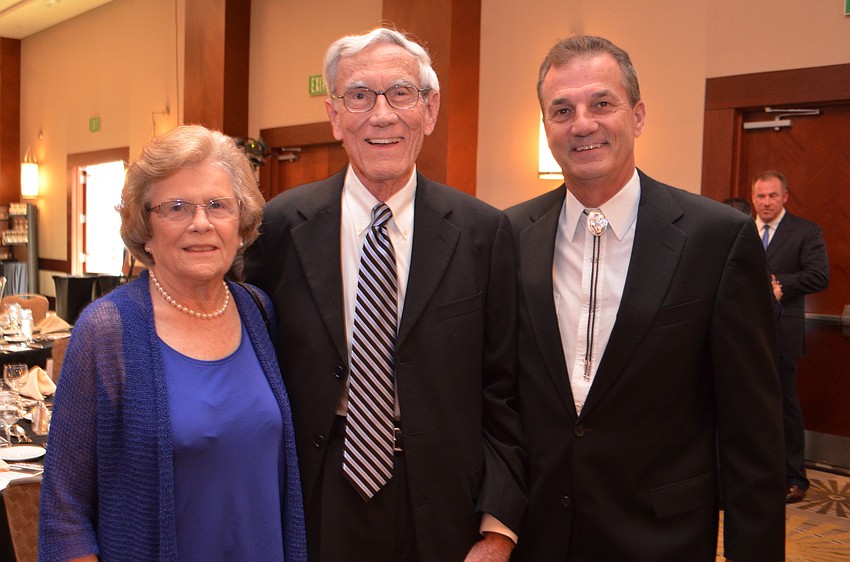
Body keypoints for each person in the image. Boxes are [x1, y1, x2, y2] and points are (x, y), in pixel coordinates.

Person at [242, 27, 526, 562]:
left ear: (430, 109)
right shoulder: (278, 227)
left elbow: (504, 389)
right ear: (334, 115)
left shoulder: (483, 232)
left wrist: (499, 526)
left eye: (401, 93)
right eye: (359, 96)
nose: (382, 115)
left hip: (445, 503)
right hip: (315, 490)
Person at [506, 35, 785, 561]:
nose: (582, 123)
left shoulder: (715, 239)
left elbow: (753, 436)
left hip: (660, 538)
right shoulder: (508, 235)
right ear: (546, 127)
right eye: (562, 110)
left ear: (637, 116)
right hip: (538, 532)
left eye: (601, 103)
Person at [39, 125, 307, 562]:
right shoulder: (107, 330)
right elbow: (64, 511)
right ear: (145, 228)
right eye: (177, 207)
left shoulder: (258, 311)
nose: (201, 223)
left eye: (218, 205)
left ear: (241, 224)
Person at [752, 170, 830, 504]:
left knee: (784, 405)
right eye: (760, 196)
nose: (765, 202)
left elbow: (818, 276)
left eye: (772, 196)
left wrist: (776, 282)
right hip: (743, 332)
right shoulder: (738, 228)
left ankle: (795, 477)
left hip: (782, 332)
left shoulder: (805, 231)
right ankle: (754, 473)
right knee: (747, 406)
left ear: (785, 196)